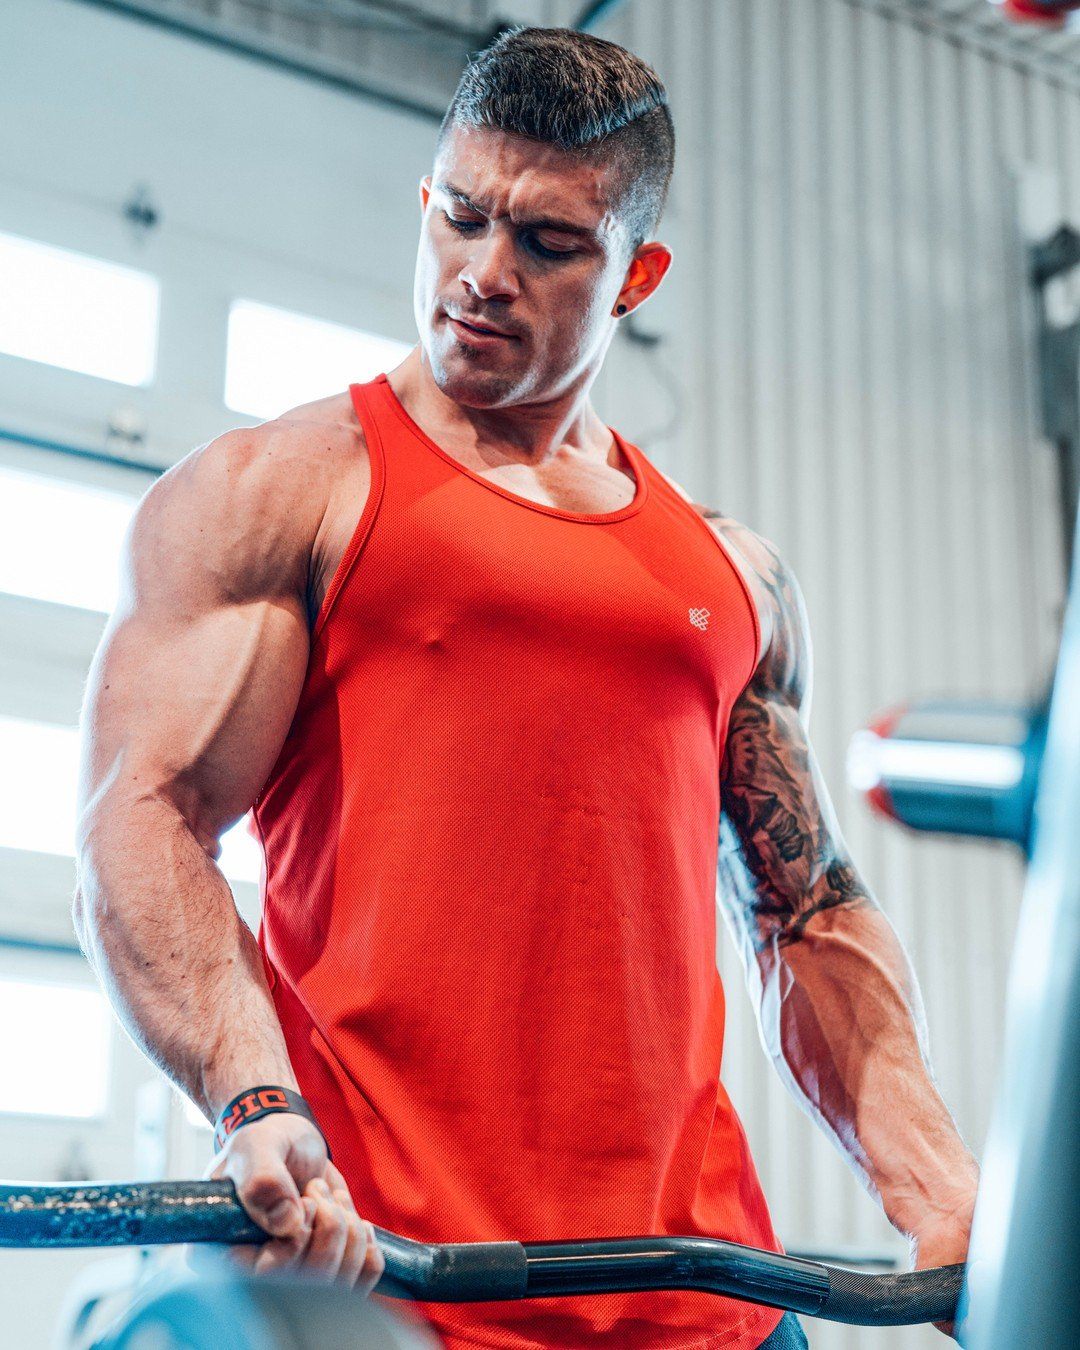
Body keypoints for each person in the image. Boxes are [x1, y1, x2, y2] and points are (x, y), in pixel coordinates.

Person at [73, 25, 978, 1350]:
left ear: (636, 277)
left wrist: (941, 1194)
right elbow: (143, 813)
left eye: (550, 243)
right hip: (398, 1283)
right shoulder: (280, 492)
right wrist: (255, 1102)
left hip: (709, 1293)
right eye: (461, 215)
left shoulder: (730, 573)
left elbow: (806, 908)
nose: (483, 274)